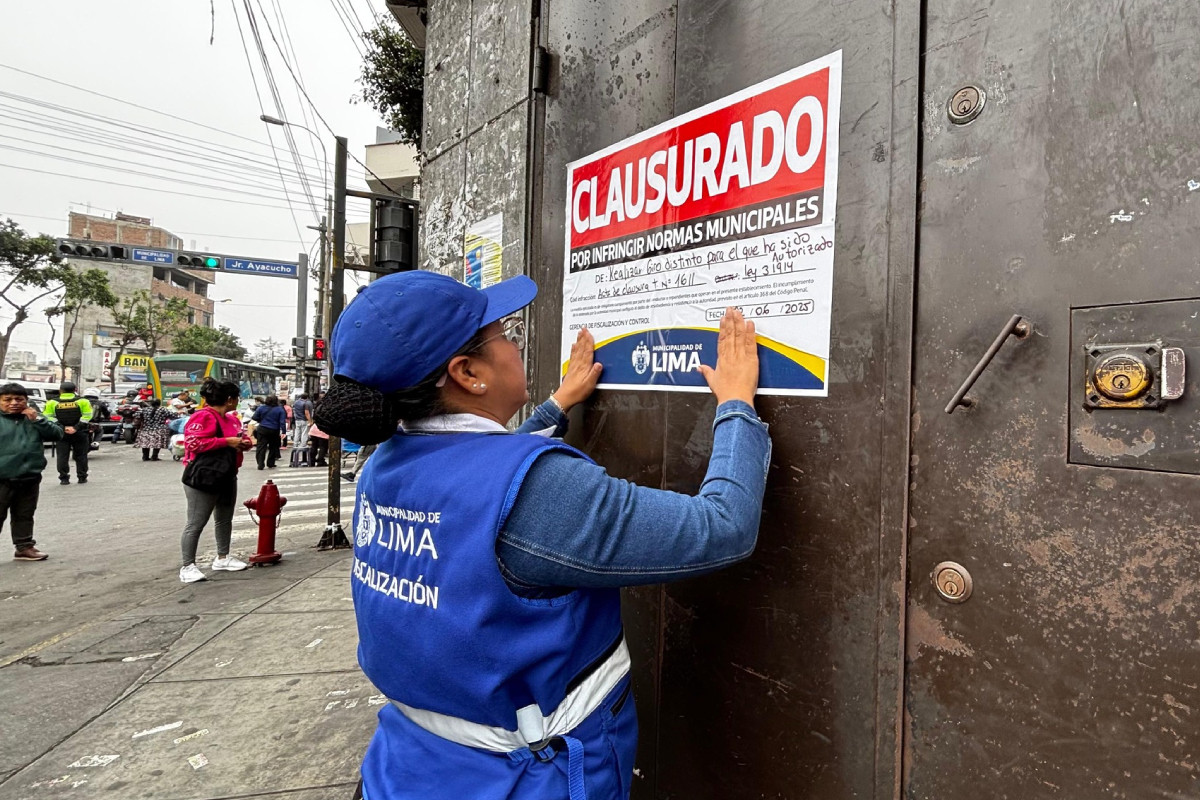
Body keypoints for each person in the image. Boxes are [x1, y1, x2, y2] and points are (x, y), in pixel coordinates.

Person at [314, 271, 769, 800]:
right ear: (467, 373)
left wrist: (555, 406)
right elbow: (722, 526)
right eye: (504, 335)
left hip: (411, 765)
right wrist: (737, 404)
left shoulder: (385, 464)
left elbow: (476, 483)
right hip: (528, 779)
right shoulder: (537, 492)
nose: (515, 345)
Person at [178, 378, 253, 583]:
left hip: (227, 473)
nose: (238, 401)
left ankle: (223, 557)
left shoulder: (232, 419)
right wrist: (226, 441)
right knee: (196, 522)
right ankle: (188, 566)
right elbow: (194, 443)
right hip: (203, 477)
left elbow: (238, 439)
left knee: (224, 518)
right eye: (237, 398)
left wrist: (242, 444)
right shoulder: (202, 417)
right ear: (229, 399)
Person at [0, 383, 62, 561]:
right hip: (2, 477)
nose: (14, 403)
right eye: (7, 400)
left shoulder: (34, 418)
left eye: (19, 399)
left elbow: (57, 434)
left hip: (29, 476)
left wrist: (37, 420)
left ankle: (24, 547)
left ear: (26, 401)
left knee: (25, 515)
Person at [44, 380, 93, 485]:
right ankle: (82, 477)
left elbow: (48, 418)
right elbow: (87, 416)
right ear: (75, 390)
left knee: (62, 456)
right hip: (80, 432)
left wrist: (63, 427)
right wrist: (76, 427)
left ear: (60, 391)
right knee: (81, 455)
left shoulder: (52, 402)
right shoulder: (83, 401)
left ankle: (64, 478)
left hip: (61, 433)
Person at [250, 394, 287, 469]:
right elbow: (282, 422)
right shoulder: (280, 409)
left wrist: (261, 420)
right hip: (274, 430)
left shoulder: (261, 408)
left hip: (262, 429)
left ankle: (260, 464)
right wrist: (283, 432)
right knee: (273, 447)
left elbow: (254, 417)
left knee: (261, 447)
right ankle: (270, 463)